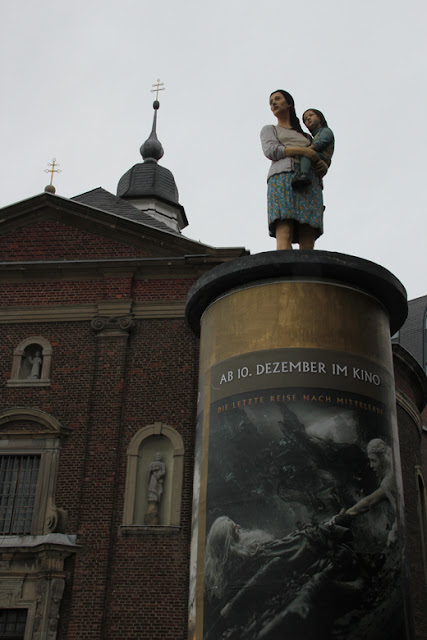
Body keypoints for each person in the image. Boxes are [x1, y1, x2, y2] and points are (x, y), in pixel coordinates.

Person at [260, 90, 328, 251]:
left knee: (308, 231)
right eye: (271, 102)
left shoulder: (308, 137)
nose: (274, 103)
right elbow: (271, 150)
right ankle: (284, 271)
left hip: (310, 181)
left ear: (289, 103)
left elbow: (320, 155)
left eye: (278, 99)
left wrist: (323, 166)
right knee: (284, 228)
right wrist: (302, 151)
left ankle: (307, 273)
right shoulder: (270, 129)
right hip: (283, 179)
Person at [337, 438, 397, 545]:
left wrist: (393, 534)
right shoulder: (395, 457)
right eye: (370, 461)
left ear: (383, 458)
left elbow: (370, 502)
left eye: (374, 460)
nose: (371, 465)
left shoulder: (388, 482)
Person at [292, 109, 335, 190]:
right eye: (305, 119)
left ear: (319, 118)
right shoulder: (313, 136)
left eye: (311, 115)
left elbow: (322, 142)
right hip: (319, 156)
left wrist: (308, 149)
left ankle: (304, 175)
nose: (308, 118)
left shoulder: (325, 131)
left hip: (323, 156)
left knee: (307, 155)